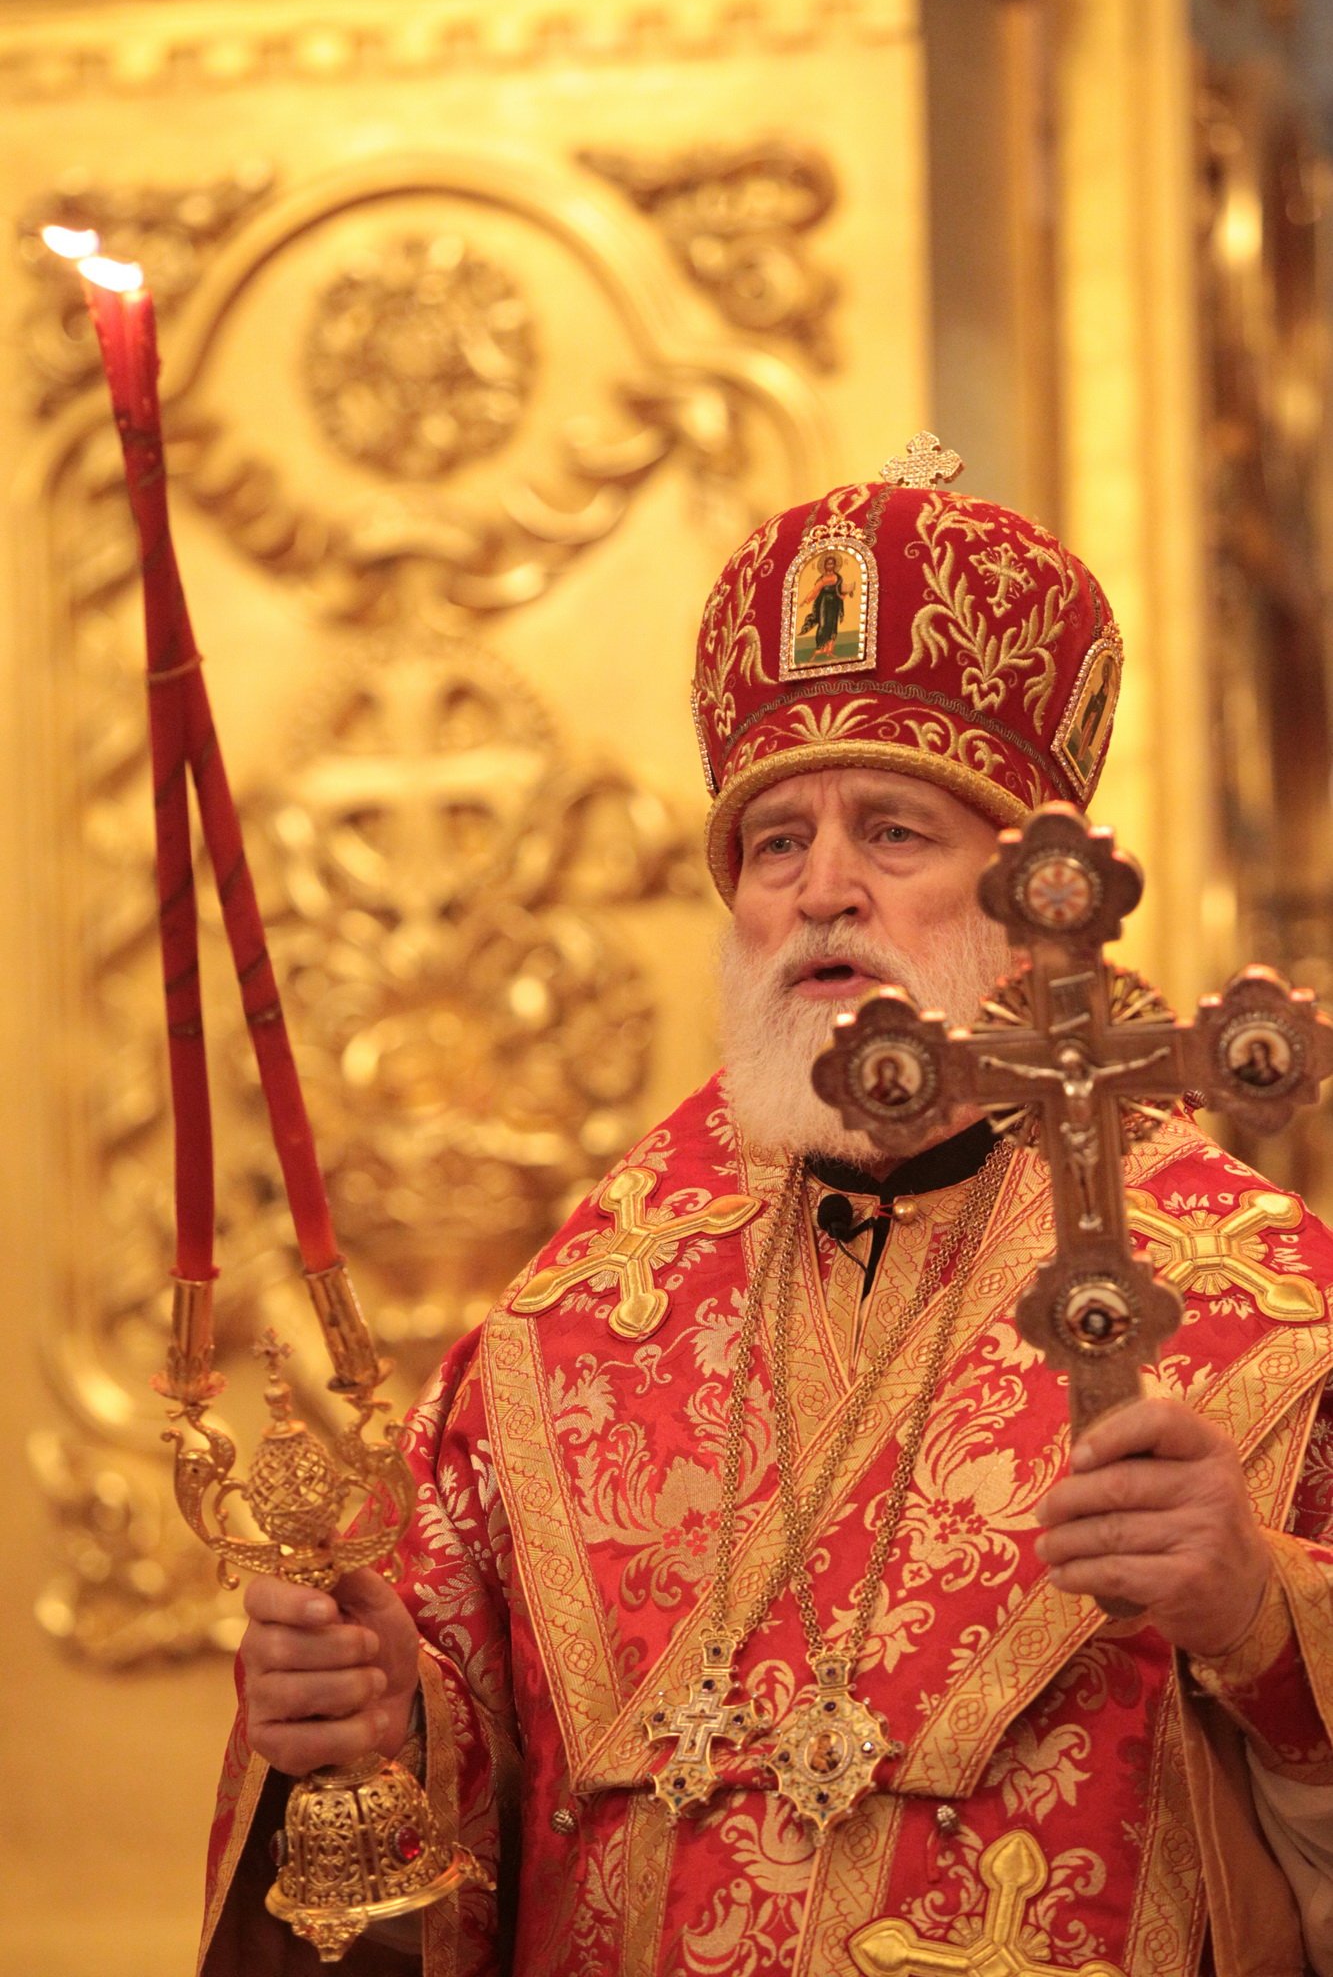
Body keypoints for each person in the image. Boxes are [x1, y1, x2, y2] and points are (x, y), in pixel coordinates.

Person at [200, 453, 1333, 1976]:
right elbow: (444, 1807)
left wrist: (1260, 1620)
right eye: (776, 842)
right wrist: (377, 1721)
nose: (822, 891)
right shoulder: (568, 1331)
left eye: (895, 832)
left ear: (1032, 900)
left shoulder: (1266, 1320)